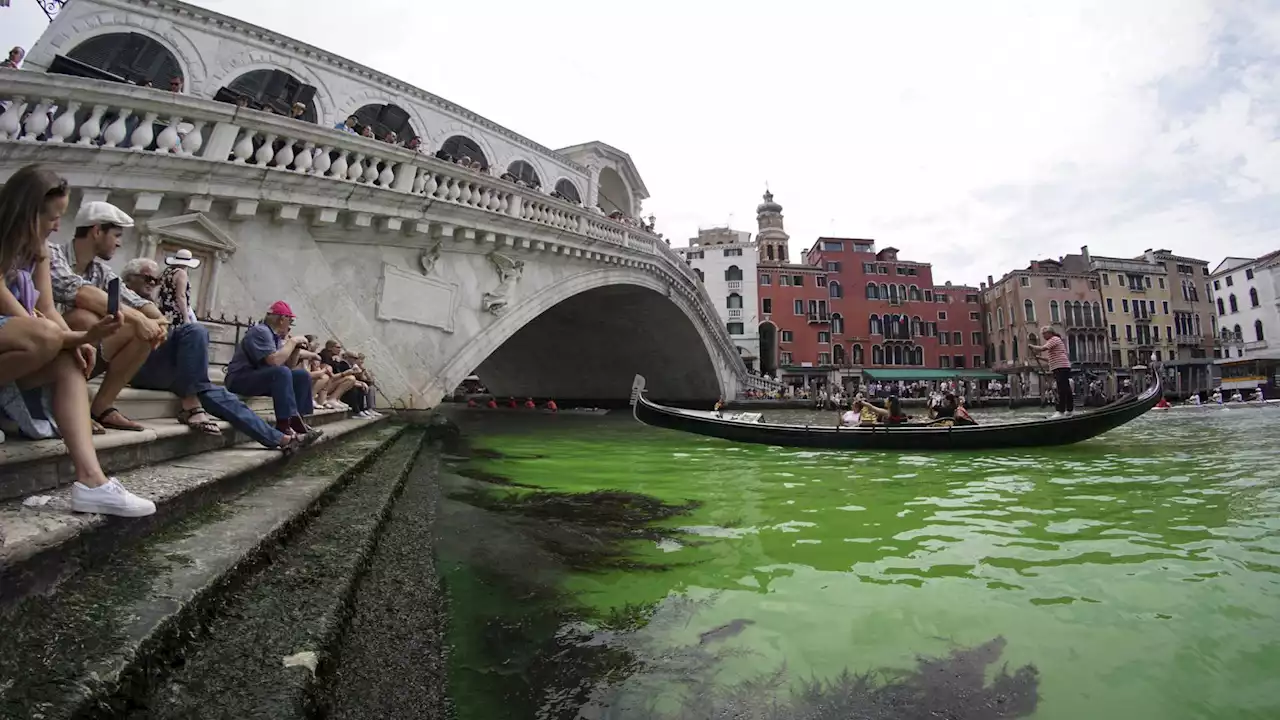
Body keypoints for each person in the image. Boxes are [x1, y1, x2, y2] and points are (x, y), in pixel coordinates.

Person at [0, 164, 154, 516]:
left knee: (69, 357)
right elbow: (24, 317)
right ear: (27, 211)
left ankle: (92, 482)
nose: (57, 227)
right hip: (14, 334)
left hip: (21, 340)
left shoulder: (38, 249)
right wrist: (68, 336)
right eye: (53, 217)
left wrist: (81, 340)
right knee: (50, 339)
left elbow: (47, 308)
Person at [123, 259, 307, 452]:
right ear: (128, 279)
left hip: (163, 367)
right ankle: (192, 405)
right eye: (147, 278)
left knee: (224, 397)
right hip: (135, 366)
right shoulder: (119, 297)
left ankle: (281, 439)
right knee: (194, 331)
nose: (153, 283)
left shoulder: (154, 305)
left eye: (156, 280)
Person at [48, 201, 168, 432]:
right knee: (85, 318)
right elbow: (80, 292)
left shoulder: (101, 271)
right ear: (96, 231)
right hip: (46, 348)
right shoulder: (53, 254)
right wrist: (139, 319)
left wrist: (158, 322)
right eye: (116, 235)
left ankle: (101, 407)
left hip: (84, 353)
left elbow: (136, 301)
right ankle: (70, 404)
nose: (120, 242)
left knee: (144, 332)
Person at [223, 301, 323, 443]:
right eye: (290, 321)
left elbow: (289, 365)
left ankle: (298, 420)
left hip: (260, 378)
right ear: (282, 319)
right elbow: (274, 362)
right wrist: (292, 342)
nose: (290, 325)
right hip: (240, 379)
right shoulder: (260, 331)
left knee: (301, 375)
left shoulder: (273, 336)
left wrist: (295, 350)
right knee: (280, 373)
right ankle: (284, 425)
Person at [1028, 326, 1073, 417]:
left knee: (1062, 389)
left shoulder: (1054, 339)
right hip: (1060, 366)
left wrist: (1032, 346)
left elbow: (1043, 348)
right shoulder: (1054, 342)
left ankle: (1061, 411)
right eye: (1042, 334)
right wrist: (1039, 358)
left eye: (1044, 334)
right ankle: (1069, 410)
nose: (1043, 336)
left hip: (1061, 366)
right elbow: (1050, 359)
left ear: (1050, 333)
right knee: (1065, 389)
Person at [157, 248, 200, 326]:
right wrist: (185, 316)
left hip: (164, 309)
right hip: (176, 312)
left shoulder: (167, 271)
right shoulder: (181, 273)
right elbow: (181, 296)